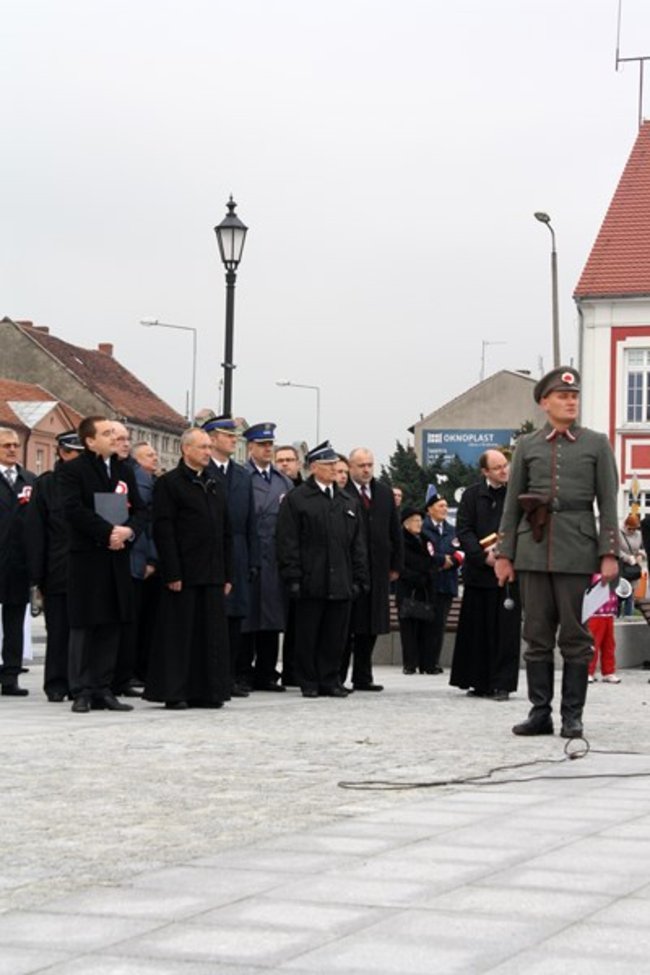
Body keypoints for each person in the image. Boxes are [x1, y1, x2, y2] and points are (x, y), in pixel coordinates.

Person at [495, 367, 619, 739]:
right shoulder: (528, 446)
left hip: (577, 549)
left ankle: (572, 716)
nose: (570, 401)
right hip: (533, 549)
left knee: (576, 636)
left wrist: (608, 551)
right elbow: (512, 505)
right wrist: (504, 553)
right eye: (563, 396)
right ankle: (540, 713)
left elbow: (608, 502)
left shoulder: (595, 444)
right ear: (544, 402)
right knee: (536, 634)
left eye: (574, 396)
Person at [59, 416, 146, 713]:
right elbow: (72, 509)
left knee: (111, 624)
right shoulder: (73, 471)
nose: (113, 438)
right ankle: (81, 689)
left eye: (114, 432)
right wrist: (107, 531)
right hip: (87, 558)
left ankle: (103, 687)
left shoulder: (124, 471)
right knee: (86, 625)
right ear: (90, 440)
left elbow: (141, 509)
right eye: (106, 433)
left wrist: (129, 530)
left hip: (117, 556)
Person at [144, 428, 233, 710]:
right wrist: (172, 572)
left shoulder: (214, 482)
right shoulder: (169, 484)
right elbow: (164, 530)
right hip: (183, 572)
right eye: (202, 447)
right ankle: (175, 691)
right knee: (179, 634)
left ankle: (208, 690)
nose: (208, 451)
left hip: (212, 571)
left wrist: (228, 573)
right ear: (186, 450)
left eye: (209, 447)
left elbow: (226, 531)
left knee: (211, 635)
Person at [277, 440, 369, 697]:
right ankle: (309, 681)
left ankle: (330, 679)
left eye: (335, 465)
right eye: (328, 465)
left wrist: (360, 577)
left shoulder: (347, 501)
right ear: (315, 467)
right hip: (311, 580)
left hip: (341, 581)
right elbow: (287, 541)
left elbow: (357, 544)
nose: (334, 469)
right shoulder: (297, 499)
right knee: (308, 634)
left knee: (335, 635)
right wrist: (292, 575)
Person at [449, 450, 520, 701]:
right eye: (498, 467)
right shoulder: (471, 495)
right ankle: (477, 681)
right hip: (479, 572)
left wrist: (504, 555)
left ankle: (503, 684)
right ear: (485, 472)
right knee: (476, 630)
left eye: (505, 466)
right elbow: (464, 529)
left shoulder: (516, 493)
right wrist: (482, 556)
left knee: (505, 631)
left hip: (508, 573)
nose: (504, 471)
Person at [202, 413, 260, 698]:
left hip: (237, 551)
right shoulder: (202, 471)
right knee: (212, 617)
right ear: (212, 439)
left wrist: (253, 559)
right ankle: (210, 675)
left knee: (235, 618)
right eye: (228, 435)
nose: (233, 439)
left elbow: (251, 520)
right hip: (209, 551)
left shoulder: (241, 475)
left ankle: (233, 675)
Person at [26, 430, 84, 701]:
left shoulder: (91, 482)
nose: (80, 458)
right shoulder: (47, 485)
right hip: (58, 568)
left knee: (82, 629)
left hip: (87, 569)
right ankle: (57, 682)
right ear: (62, 452)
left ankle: (79, 681)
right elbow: (36, 532)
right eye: (75, 453)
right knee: (58, 629)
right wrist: (37, 577)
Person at [341, 447, 403, 691]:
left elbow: (394, 530)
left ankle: (363, 676)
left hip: (378, 569)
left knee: (372, 625)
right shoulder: (343, 493)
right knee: (348, 626)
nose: (366, 470)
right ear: (350, 468)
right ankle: (338, 676)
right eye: (361, 465)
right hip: (352, 570)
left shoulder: (384, 492)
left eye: (369, 464)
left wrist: (396, 564)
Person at [240, 423, 293, 691]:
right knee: (246, 618)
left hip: (273, 558)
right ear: (250, 448)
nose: (267, 449)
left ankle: (266, 672)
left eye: (270, 445)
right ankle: (242, 672)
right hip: (250, 556)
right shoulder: (241, 476)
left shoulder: (283, 481)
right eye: (262, 445)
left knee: (271, 619)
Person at [0, 428, 36, 696]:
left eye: (15, 445)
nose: (12, 449)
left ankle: (10, 675)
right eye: (6, 445)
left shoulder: (29, 480)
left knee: (14, 622)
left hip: (18, 563)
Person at [421, 485, 463, 675]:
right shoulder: (423, 528)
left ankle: (432, 662)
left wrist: (452, 561)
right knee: (425, 624)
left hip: (446, 583)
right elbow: (423, 552)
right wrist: (440, 560)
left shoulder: (453, 530)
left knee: (439, 624)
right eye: (440, 506)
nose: (444, 509)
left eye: (446, 506)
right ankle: (420, 661)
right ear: (429, 509)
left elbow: (460, 551)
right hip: (426, 583)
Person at [395, 506, 436, 675]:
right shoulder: (400, 540)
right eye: (415, 521)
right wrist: (416, 576)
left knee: (426, 628)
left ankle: (427, 664)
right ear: (406, 523)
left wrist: (429, 574)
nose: (419, 524)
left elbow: (432, 560)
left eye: (420, 520)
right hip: (408, 589)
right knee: (408, 629)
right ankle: (410, 663)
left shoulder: (426, 539)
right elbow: (400, 565)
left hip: (425, 590)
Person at [587, 575, 621, 683]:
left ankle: (608, 671)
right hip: (595, 612)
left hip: (609, 611)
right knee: (593, 644)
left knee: (609, 644)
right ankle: (588, 671)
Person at [618, 513, 643, 617]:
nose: (632, 531)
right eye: (630, 528)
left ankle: (629, 617)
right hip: (621, 567)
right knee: (619, 593)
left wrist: (640, 555)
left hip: (633, 569)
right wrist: (627, 558)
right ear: (625, 525)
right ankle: (617, 616)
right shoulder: (618, 533)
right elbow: (615, 549)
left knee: (630, 595)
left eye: (634, 528)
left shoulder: (639, 534)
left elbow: (640, 548)